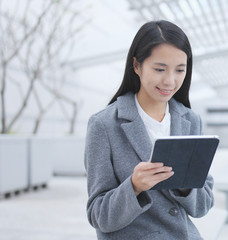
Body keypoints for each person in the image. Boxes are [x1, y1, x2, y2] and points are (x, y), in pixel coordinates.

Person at [84, 20, 214, 240]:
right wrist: (133, 187)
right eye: (159, 69)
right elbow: (99, 216)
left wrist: (185, 187)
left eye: (180, 70)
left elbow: (203, 206)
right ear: (136, 65)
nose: (170, 81)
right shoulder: (104, 125)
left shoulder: (191, 120)